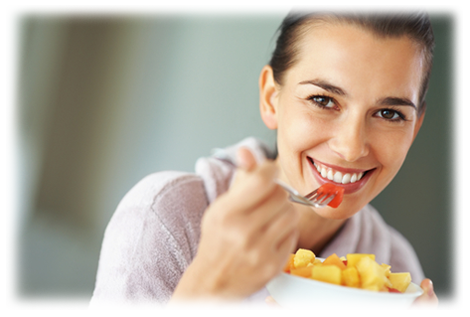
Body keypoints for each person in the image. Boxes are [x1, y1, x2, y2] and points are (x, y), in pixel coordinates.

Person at [88, 4, 439, 311]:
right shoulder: (166, 218)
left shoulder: (396, 266)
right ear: (272, 98)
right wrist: (212, 290)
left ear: (415, 128)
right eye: (323, 100)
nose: (351, 147)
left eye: (390, 114)